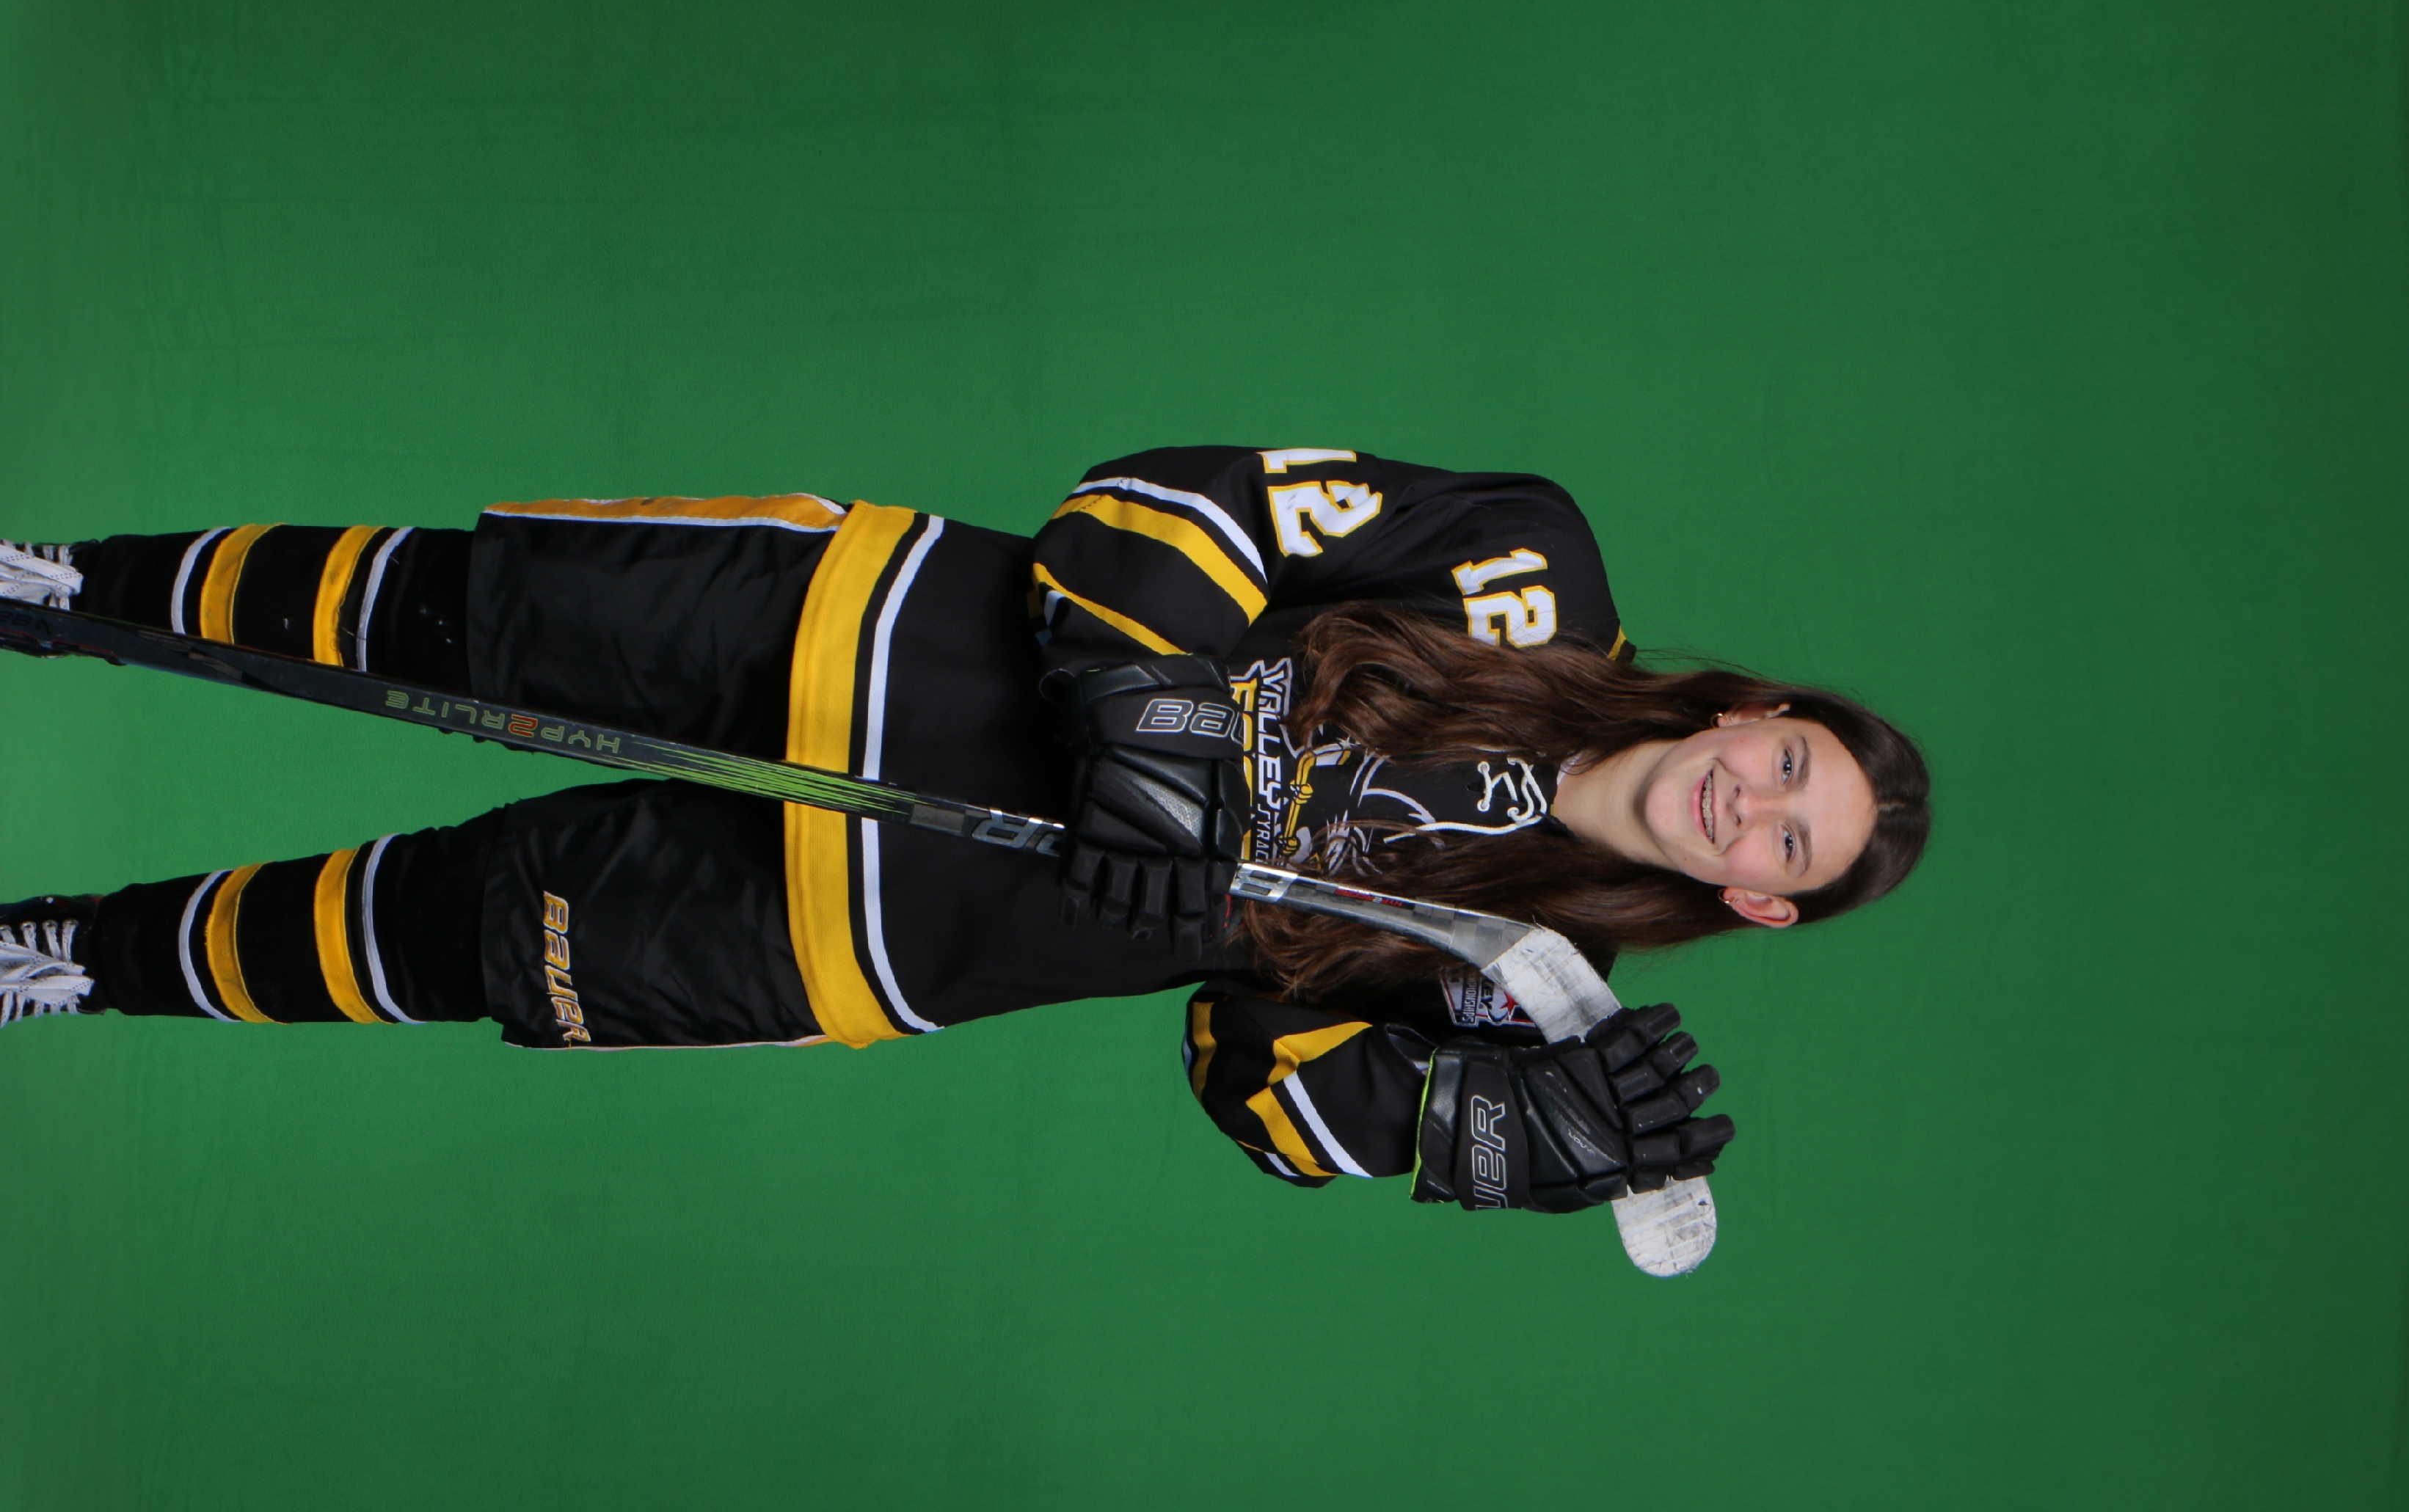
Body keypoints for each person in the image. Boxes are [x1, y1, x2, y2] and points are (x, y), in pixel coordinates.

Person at [0, 446, 1930, 1213]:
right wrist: (1153, 718)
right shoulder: (1528, 568)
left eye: (1788, 846)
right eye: (1787, 765)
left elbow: (1255, 1088)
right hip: (855, 640)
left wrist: (1463, 1127)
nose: (1752, 807)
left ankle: (67, 958)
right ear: (1746, 714)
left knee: (435, 937)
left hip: (870, 931)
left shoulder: (1524, 984)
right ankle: (61, 586)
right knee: (438, 608)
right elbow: (1175, 507)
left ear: (1754, 905)